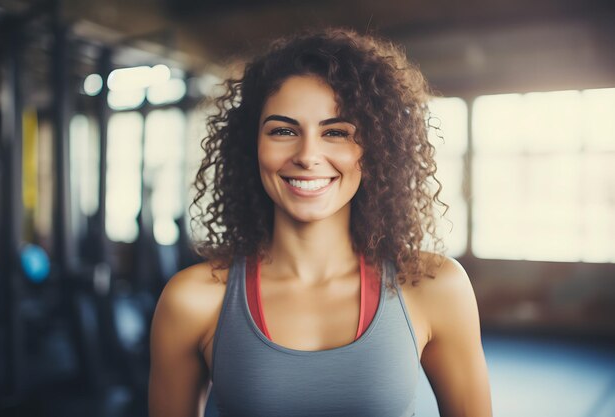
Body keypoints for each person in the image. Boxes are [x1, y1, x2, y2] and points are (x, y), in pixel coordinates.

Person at [149, 28, 492, 417]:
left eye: (336, 132)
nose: (308, 154)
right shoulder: (193, 300)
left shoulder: (435, 287)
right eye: (283, 131)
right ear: (252, 146)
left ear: (373, 149)